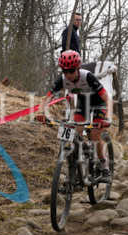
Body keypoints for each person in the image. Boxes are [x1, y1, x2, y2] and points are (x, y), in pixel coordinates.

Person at [36, 50, 113, 179]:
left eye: (71, 71)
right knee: (73, 133)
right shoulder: (62, 80)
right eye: (64, 71)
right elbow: (46, 98)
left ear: (77, 68)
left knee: (95, 134)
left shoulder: (87, 76)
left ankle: (103, 163)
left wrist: (108, 117)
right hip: (83, 104)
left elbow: (107, 98)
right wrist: (40, 112)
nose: (68, 75)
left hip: (99, 104)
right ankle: (75, 168)